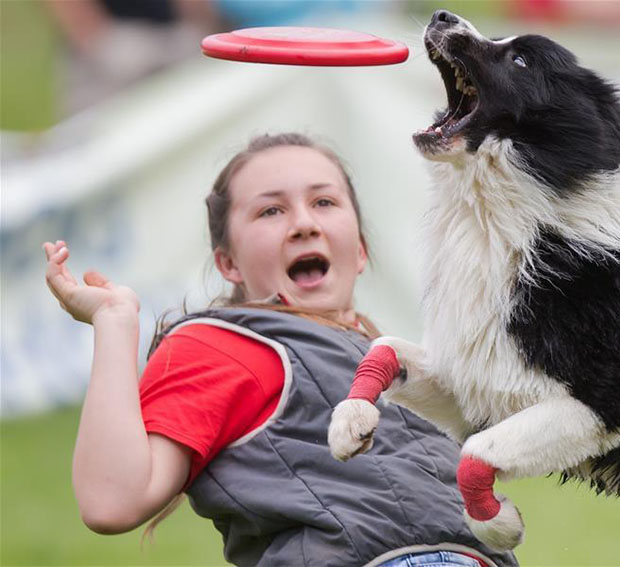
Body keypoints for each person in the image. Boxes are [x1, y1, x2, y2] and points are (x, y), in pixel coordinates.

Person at [43, 133, 518, 567]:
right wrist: (114, 322)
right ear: (228, 263)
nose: (304, 224)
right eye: (271, 211)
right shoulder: (226, 345)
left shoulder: (399, 363)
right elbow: (111, 500)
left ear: (360, 250)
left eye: (324, 201)